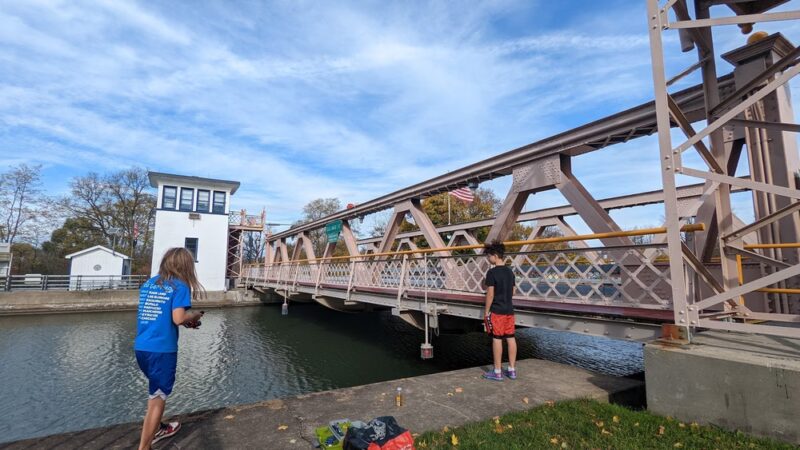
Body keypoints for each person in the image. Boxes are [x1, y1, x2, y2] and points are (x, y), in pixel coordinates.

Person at [134, 247, 205, 450]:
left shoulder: (150, 284)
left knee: (155, 389)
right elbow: (178, 318)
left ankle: (158, 428)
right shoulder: (180, 286)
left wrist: (184, 320)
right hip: (162, 350)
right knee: (157, 398)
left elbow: (160, 314)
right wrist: (194, 315)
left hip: (142, 347)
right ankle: (145, 447)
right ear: (186, 266)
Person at [482, 241, 517, 381]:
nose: (488, 259)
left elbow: (490, 294)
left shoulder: (492, 272)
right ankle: (512, 370)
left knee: (497, 339)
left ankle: (497, 371)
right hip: (509, 310)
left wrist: (486, 311)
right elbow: (513, 291)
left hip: (497, 311)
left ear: (495, 256)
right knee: (511, 338)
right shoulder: (510, 272)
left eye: (489, 256)